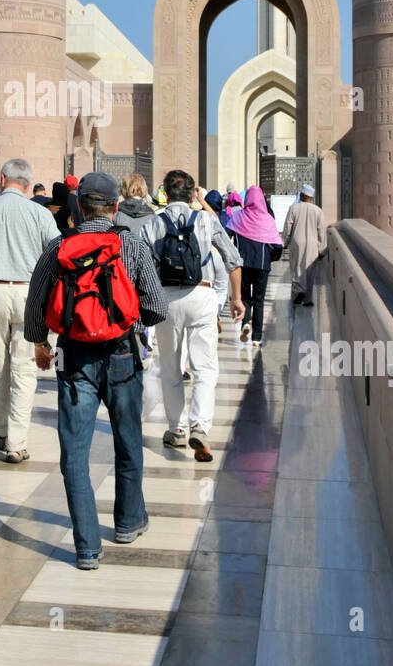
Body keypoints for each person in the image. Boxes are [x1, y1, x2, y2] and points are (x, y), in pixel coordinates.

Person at [25, 172, 168, 570]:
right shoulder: (132, 246)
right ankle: (127, 522)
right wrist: (129, 323)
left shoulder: (59, 247)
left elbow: (35, 306)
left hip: (73, 358)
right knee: (127, 439)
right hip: (122, 356)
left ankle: (87, 547)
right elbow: (157, 307)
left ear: (79, 208)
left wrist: (41, 344)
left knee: (74, 452)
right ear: (115, 206)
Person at [140, 169, 244, 460]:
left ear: (165, 193)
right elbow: (233, 261)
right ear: (193, 194)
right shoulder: (207, 220)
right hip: (202, 294)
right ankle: (200, 425)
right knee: (205, 368)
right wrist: (236, 299)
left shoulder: (152, 224)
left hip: (167, 299)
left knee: (171, 368)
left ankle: (177, 429)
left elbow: (142, 268)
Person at [0, 158, 59, 463]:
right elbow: (57, 256)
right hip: (30, 292)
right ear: (28, 184)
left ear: (2, 179)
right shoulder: (40, 214)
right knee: (24, 369)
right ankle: (16, 441)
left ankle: (1, 429)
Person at [228, 185, 283, 346]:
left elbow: (226, 235)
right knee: (259, 300)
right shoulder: (268, 219)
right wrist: (272, 258)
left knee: (244, 297)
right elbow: (278, 246)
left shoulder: (238, 216)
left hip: (242, 263)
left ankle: (245, 323)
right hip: (262, 264)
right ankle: (257, 337)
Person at [281, 184, 327, 306]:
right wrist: (322, 249)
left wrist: (284, 242)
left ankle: (299, 290)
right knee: (310, 270)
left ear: (303, 195)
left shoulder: (293, 208)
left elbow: (288, 226)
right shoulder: (318, 211)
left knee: (297, 267)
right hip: (313, 244)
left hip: (297, 242)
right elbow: (322, 231)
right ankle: (308, 299)